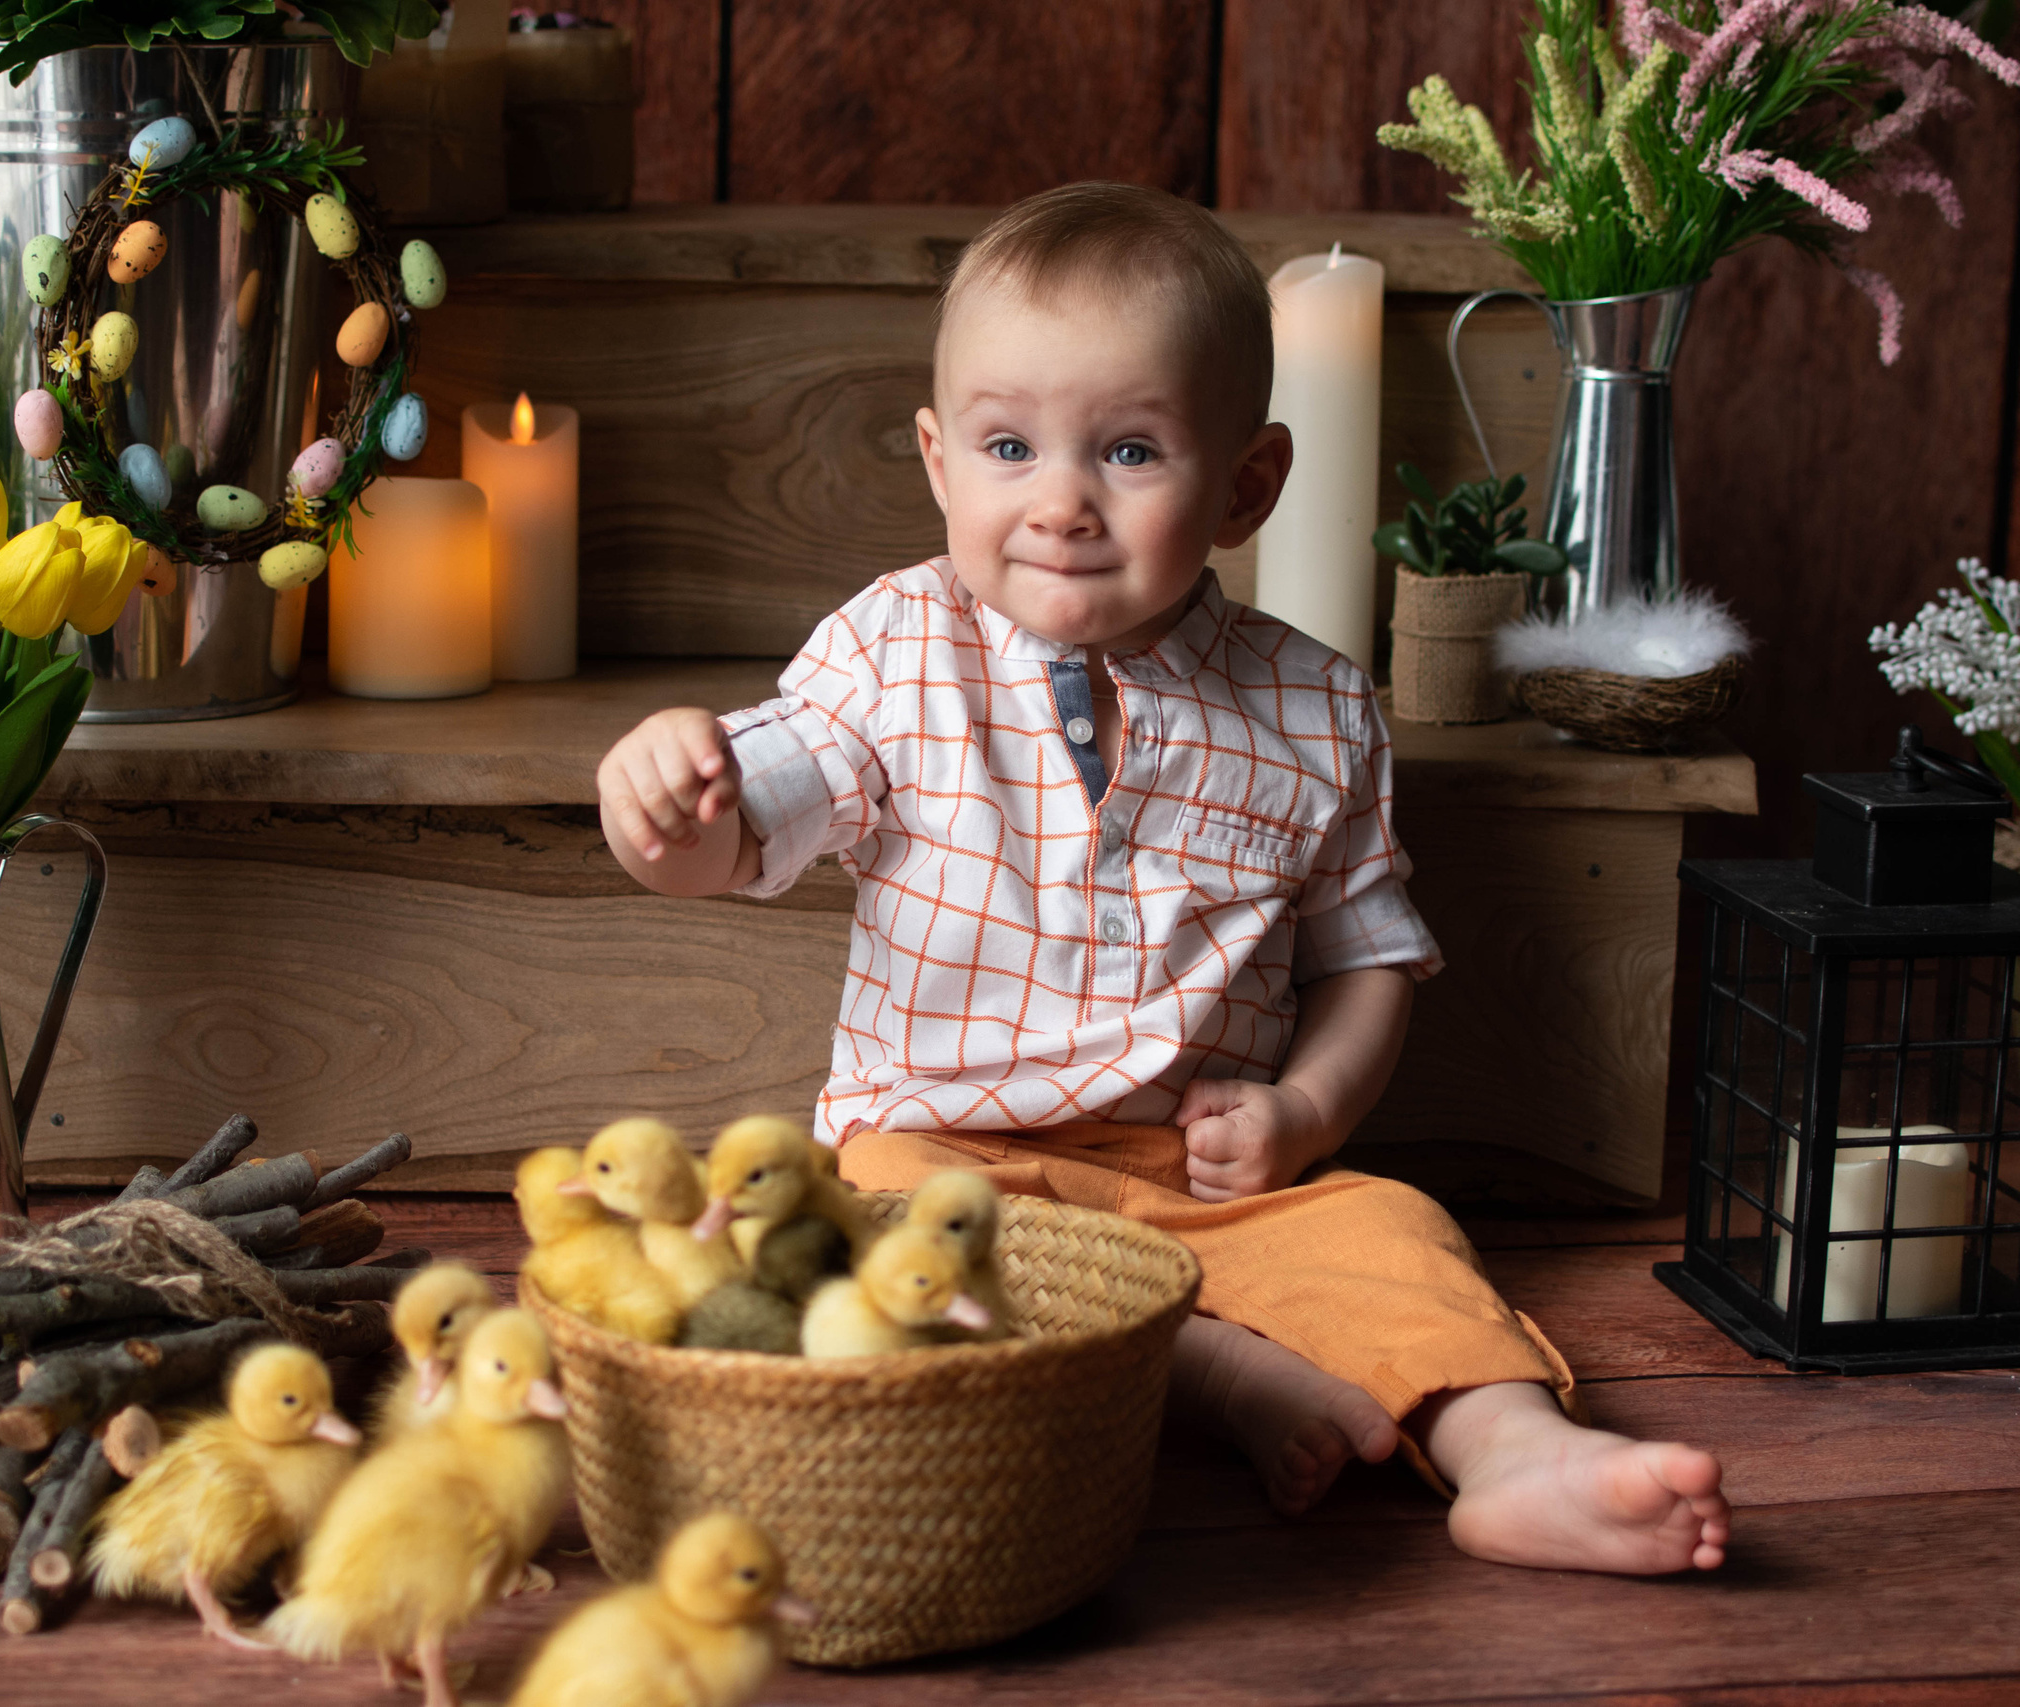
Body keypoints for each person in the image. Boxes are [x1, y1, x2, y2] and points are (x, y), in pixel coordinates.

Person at [592, 182, 1729, 1574]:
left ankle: (1512, 1451)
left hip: (1207, 1179)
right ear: (942, 464)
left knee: (1391, 1230)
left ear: (1246, 485)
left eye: (1129, 452)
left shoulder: (1313, 706)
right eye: (1011, 446)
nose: (1060, 502)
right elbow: (750, 811)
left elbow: (1367, 962)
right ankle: (1217, 1378)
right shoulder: (893, 652)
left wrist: (1306, 1115)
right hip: (951, 1149)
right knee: (890, 1243)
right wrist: (667, 808)